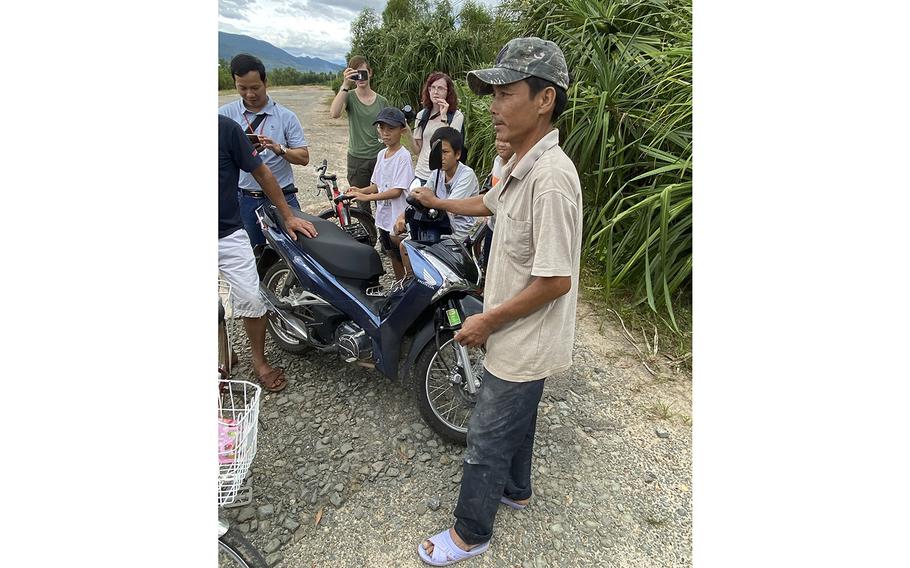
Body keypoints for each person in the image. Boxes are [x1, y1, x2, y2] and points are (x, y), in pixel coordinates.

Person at [412, 37, 581, 565]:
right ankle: (518, 489)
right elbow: (487, 202)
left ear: (544, 99)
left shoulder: (552, 180)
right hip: (516, 330)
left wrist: (486, 320)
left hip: (522, 335)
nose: (491, 105)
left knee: (486, 434)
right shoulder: (519, 163)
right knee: (520, 418)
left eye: (505, 92)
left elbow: (556, 280)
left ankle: (470, 532)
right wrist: (439, 201)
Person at [218, 115, 317, 392]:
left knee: (251, 298)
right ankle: (222, 353)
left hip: (227, 233)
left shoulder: (226, 129)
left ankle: (259, 361)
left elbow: (262, 172)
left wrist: (288, 216)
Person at [219, 54, 310, 247]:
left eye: (255, 88)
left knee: (298, 249)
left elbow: (303, 158)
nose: (250, 94)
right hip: (245, 199)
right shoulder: (224, 115)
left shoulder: (286, 116)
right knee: (255, 253)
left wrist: (280, 149)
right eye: (242, 88)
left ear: (265, 82)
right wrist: (242, 153)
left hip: (284, 197)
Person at [394, 127, 479, 275]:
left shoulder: (467, 175)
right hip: (438, 223)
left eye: (445, 152)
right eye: (438, 152)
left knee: (430, 254)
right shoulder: (437, 173)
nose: (441, 157)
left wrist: (429, 199)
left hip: (458, 231)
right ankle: (411, 280)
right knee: (405, 246)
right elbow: (420, 195)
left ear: (457, 154)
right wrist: (402, 217)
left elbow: (451, 206)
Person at [345, 107, 413, 280]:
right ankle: (400, 286)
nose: (385, 133)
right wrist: (360, 190)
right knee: (390, 253)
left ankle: (409, 286)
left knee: (402, 253)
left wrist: (367, 197)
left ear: (402, 130)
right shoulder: (382, 154)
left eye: (391, 129)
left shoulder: (403, 156)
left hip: (398, 217)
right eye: (382, 128)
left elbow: (397, 191)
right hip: (384, 217)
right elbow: (377, 185)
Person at [329, 55, 389, 214]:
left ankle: (384, 237)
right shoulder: (349, 96)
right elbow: (334, 113)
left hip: (379, 156)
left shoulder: (382, 101)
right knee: (362, 205)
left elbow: (389, 129)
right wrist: (345, 84)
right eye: (355, 74)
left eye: (363, 73)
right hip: (357, 159)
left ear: (370, 73)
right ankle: (368, 237)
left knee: (383, 202)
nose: (360, 77)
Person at [404, 72, 465, 189]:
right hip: (422, 173)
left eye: (441, 88)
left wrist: (443, 117)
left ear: (448, 93)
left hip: (442, 175)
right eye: (433, 88)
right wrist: (407, 131)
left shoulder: (457, 116)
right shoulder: (422, 115)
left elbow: (450, 144)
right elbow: (417, 150)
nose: (436, 91)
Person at [480, 138, 514, 271]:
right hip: (492, 226)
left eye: (507, 141)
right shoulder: (497, 161)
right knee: (488, 266)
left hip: (507, 234)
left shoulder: (518, 166)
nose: (501, 144)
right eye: (498, 140)